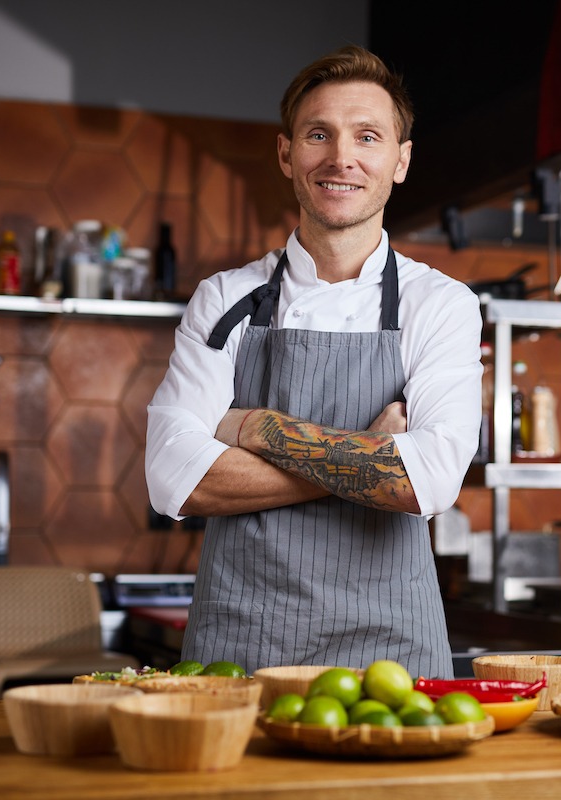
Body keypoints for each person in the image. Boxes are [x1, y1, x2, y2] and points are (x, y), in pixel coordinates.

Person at [145, 45, 482, 678]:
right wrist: (368, 452)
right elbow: (174, 480)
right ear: (286, 154)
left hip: (392, 658)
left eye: (368, 137)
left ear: (400, 161)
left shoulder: (440, 304)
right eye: (318, 134)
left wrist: (248, 428)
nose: (341, 158)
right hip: (239, 651)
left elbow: (427, 483)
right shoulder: (224, 299)